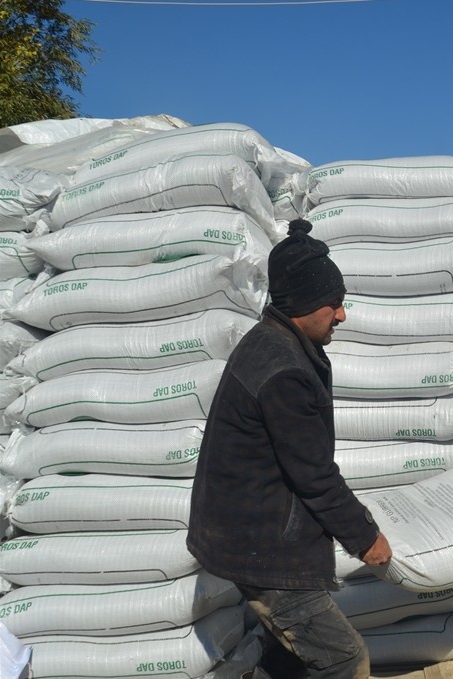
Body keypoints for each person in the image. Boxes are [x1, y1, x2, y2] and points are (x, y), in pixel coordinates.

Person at [188, 219, 392, 679]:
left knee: (290, 658)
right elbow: (314, 475)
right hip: (264, 548)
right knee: (345, 659)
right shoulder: (284, 370)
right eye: (333, 305)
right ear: (302, 304)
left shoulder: (274, 343)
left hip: (252, 533)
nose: (341, 316)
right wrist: (365, 539)